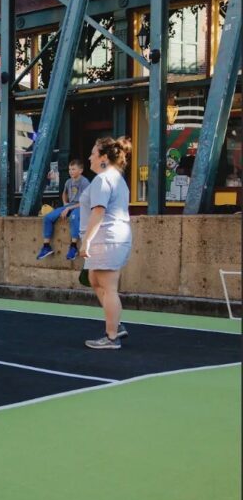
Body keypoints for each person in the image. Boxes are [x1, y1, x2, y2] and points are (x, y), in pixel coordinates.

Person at [81, 137, 134, 350]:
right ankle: (116, 325)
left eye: (93, 153)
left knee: (108, 287)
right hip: (111, 237)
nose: (89, 157)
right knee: (95, 279)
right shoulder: (115, 178)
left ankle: (112, 336)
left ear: (103, 158)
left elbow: (99, 211)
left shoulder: (103, 180)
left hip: (107, 238)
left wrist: (87, 241)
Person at [36, 159, 92, 260]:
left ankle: (74, 246)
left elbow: (85, 202)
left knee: (74, 217)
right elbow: (64, 193)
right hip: (69, 205)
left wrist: (69, 207)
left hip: (81, 206)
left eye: (73, 169)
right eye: (70, 169)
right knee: (48, 218)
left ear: (81, 170)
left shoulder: (85, 182)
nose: (71, 171)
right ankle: (46, 246)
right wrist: (65, 203)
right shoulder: (68, 181)